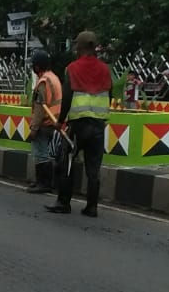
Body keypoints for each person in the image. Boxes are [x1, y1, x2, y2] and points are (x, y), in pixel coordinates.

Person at [47, 31, 114, 218]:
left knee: (66, 162)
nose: (75, 48)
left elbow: (67, 97)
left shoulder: (72, 68)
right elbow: (110, 95)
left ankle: (63, 202)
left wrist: (60, 122)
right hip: (98, 126)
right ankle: (92, 207)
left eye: (76, 45)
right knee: (93, 168)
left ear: (81, 47)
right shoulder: (105, 69)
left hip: (78, 125)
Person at [26, 50, 62, 194]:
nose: (33, 68)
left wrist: (34, 128)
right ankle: (41, 181)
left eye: (33, 65)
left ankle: (44, 183)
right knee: (44, 152)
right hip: (54, 121)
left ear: (38, 67)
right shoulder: (54, 78)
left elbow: (40, 108)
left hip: (45, 123)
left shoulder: (43, 81)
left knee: (41, 153)